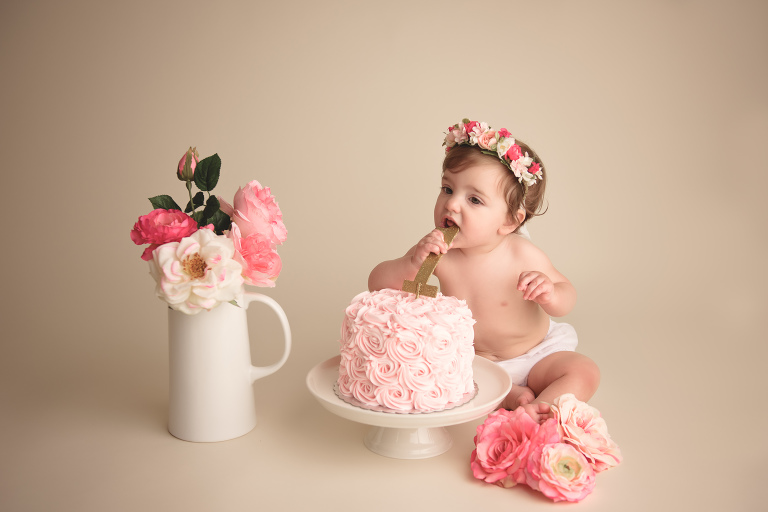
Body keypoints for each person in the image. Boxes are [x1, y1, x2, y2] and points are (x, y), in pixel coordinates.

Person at [368, 119, 600, 423]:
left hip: (535, 355)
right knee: (430, 372)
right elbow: (378, 284)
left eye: (474, 199)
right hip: (471, 360)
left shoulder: (521, 253)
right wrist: (411, 265)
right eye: (448, 189)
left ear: (510, 221)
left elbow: (567, 297)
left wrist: (549, 292)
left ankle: (538, 408)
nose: (452, 204)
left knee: (584, 371)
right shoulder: (438, 252)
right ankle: (509, 395)